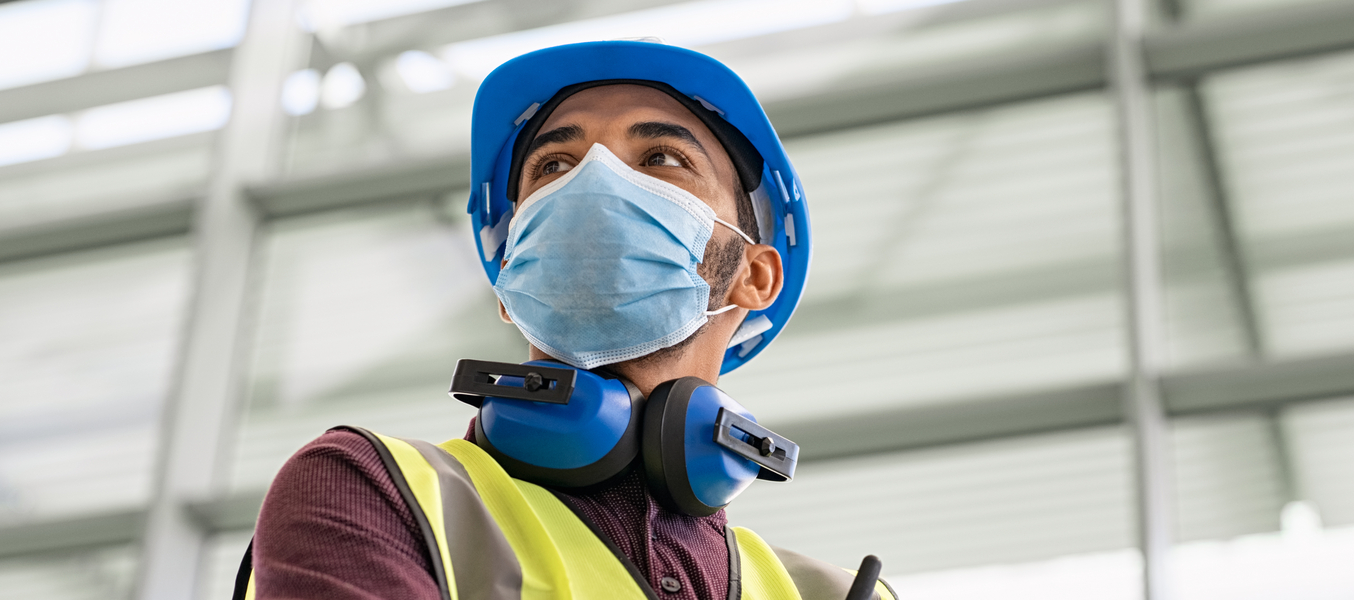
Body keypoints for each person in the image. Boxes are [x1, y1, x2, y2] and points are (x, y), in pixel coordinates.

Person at [235, 41, 896, 600]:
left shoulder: (831, 595)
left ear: (756, 276)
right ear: (509, 277)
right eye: (555, 165)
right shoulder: (372, 489)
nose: (595, 180)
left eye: (661, 159)